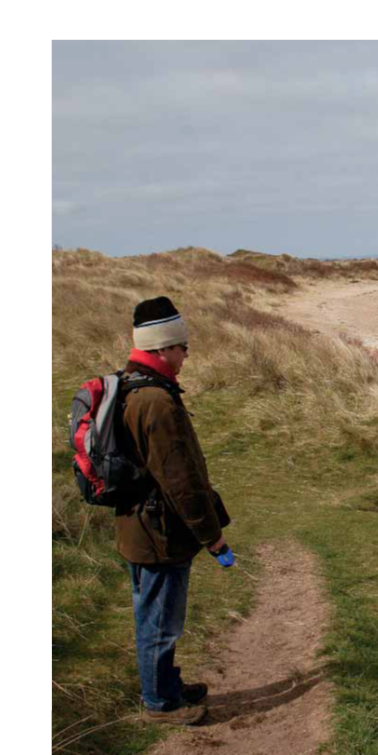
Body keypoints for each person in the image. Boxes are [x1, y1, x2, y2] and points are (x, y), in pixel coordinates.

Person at [115, 296, 233, 724]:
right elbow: (181, 484)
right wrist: (212, 536)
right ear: (163, 347)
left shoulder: (132, 385)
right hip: (159, 533)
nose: (186, 355)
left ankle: (166, 686)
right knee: (160, 622)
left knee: (155, 615)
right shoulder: (157, 402)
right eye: (183, 347)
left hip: (140, 526)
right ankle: (159, 704)